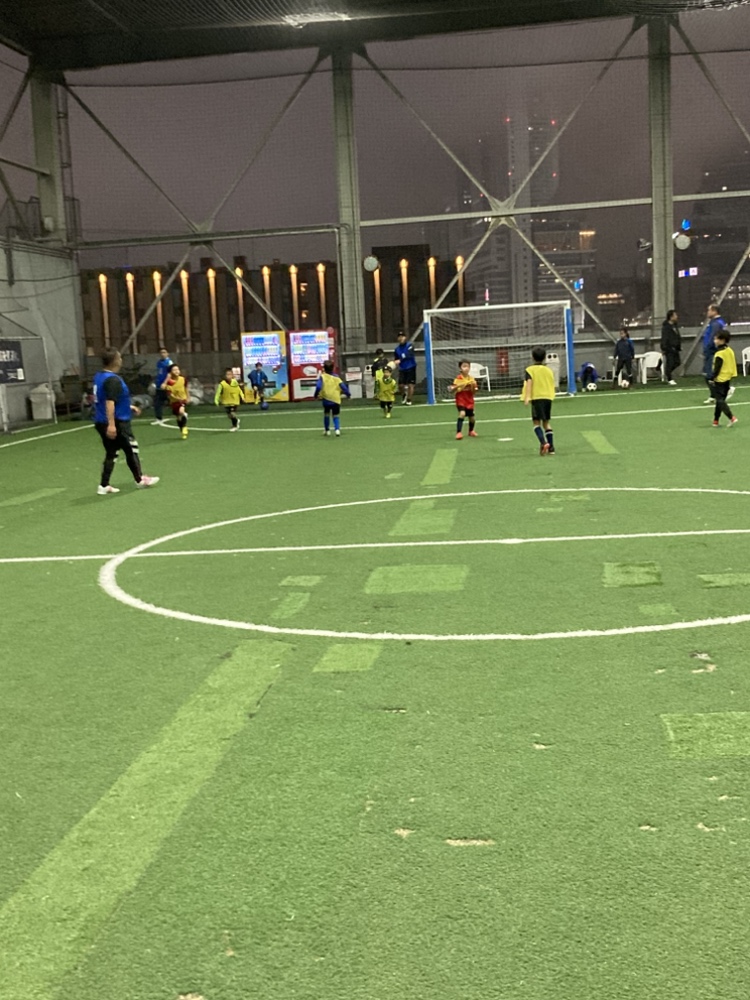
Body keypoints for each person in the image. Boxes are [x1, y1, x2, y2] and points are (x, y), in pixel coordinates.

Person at [92, 347, 159, 495]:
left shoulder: (99, 376)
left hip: (100, 420)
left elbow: (106, 398)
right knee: (131, 449)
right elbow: (109, 402)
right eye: (119, 357)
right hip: (117, 421)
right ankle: (140, 479)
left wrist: (128, 406)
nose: (121, 360)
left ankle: (103, 485)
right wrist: (112, 425)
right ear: (115, 361)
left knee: (112, 452)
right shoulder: (112, 380)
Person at [523, 346, 556, 455]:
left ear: (532, 357)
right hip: (548, 398)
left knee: (536, 423)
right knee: (546, 423)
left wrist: (527, 397)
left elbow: (529, 383)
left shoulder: (530, 370)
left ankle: (544, 443)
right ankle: (551, 448)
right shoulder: (548, 370)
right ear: (545, 357)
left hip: (537, 398)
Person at [709, 329, 738, 427]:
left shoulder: (719, 354)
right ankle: (716, 420)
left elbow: (717, 368)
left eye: (716, 339)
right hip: (728, 378)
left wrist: (712, 378)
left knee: (720, 400)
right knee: (720, 401)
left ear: (722, 340)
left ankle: (731, 417)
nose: (714, 340)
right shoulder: (729, 350)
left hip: (720, 379)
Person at [314, 358, 350, 436]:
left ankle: (327, 430)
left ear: (324, 368)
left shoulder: (323, 377)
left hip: (326, 399)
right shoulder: (337, 378)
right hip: (336, 399)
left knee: (326, 414)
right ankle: (337, 430)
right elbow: (343, 387)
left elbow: (318, 387)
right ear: (333, 368)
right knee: (336, 415)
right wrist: (348, 394)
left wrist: (316, 395)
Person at [701, 304, 728, 403]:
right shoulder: (716, 322)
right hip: (712, 351)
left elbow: (713, 339)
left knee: (709, 374)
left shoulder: (716, 323)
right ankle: (714, 395)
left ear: (714, 311)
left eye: (709, 310)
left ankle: (722, 392)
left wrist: (707, 350)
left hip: (712, 352)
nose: (707, 312)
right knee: (709, 373)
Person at [449, 359, 478, 439]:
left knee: (472, 418)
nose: (466, 368)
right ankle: (459, 432)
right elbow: (452, 390)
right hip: (461, 400)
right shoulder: (458, 379)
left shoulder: (471, 379)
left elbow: (474, 392)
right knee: (462, 414)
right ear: (460, 368)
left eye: (468, 366)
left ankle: (471, 431)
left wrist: (473, 386)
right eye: (464, 366)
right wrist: (460, 386)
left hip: (469, 401)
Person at [162, 362, 189, 439]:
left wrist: (188, 397)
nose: (177, 371)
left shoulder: (183, 379)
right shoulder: (170, 382)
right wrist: (167, 379)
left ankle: (184, 426)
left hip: (182, 399)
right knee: (178, 417)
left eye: (177, 369)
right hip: (174, 401)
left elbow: (186, 388)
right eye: (174, 370)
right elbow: (164, 388)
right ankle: (182, 429)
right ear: (170, 372)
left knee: (181, 411)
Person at [394, 332, 417, 405]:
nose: (401, 338)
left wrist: (400, 359)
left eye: (402, 336)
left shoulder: (410, 346)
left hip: (411, 367)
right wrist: (394, 363)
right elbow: (396, 359)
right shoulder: (397, 349)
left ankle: (409, 400)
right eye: (399, 337)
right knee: (400, 385)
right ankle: (404, 395)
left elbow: (409, 354)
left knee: (411, 385)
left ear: (405, 337)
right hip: (402, 368)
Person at [152, 347, 173, 423]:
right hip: (159, 386)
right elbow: (159, 373)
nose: (162, 354)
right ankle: (159, 418)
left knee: (173, 401)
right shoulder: (159, 363)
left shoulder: (169, 362)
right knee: (157, 402)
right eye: (161, 353)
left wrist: (165, 382)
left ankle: (181, 413)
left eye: (164, 352)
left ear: (167, 354)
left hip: (167, 386)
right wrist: (156, 382)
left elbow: (170, 374)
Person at [660, 310, 681, 385]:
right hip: (669, 348)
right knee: (670, 363)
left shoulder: (675, 326)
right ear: (671, 317)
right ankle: (669, 378)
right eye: (675, 315)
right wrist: (664, 347)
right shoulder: (666, 327)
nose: (677, 317)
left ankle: (667, 373)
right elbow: (665, 338)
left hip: (675, 348)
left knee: (677, 362)